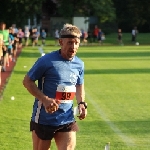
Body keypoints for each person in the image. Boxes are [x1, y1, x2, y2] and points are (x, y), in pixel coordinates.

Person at [23, 23, 87, 150]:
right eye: (70, 42)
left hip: (67, 118)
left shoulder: (79, 64)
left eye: (76, 43)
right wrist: (45, 99)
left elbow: (79, 84)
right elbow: (27, 81)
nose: (73, 47)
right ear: (61, 42)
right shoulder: (46, 61)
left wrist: (81, 103)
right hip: (44, 118)